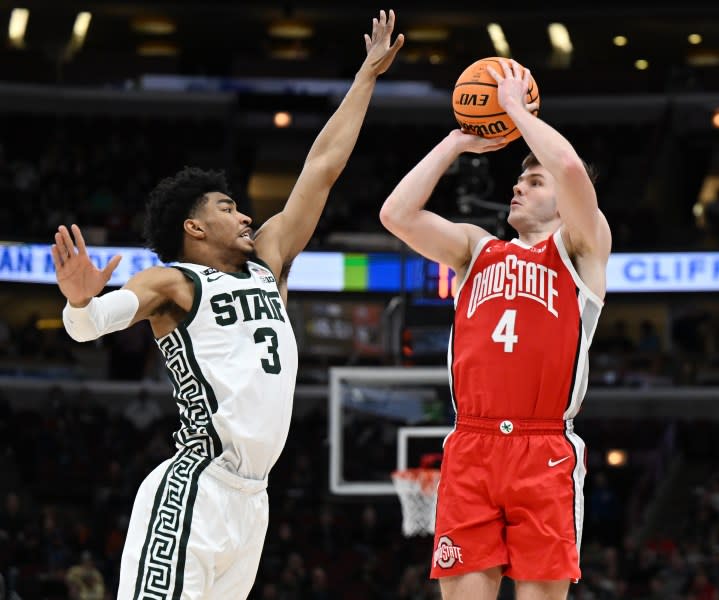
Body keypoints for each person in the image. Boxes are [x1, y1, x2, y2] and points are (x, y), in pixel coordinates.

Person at [51, 11, 403, 599]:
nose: (244, 215)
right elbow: (92, 327)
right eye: (227, 206)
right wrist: (81, 303)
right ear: (194, 225)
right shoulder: (173, 282)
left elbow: (322, 168)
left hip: (253, 500)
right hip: (197, 487)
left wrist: (367, 74)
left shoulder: (267, 262)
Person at [380, 59, 611, 599]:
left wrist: (514, 110)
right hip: (472, 444)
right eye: (518, 180)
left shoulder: (581, 246)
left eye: (533, 181)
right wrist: (456, 143)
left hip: (544, 448)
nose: (518, 188)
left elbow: (572, 170)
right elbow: (396, 213)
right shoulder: (474, 248)